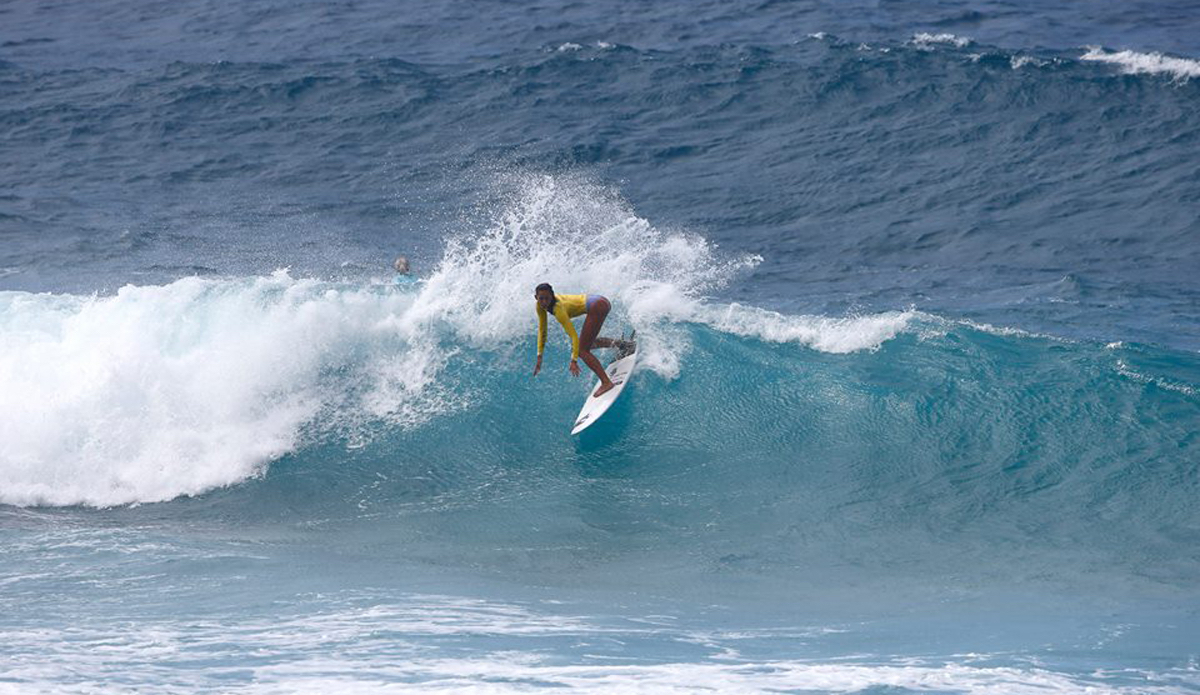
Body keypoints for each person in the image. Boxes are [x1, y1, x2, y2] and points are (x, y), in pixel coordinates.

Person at [532, 283, 628, 397]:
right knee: (588, 343)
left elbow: (573, 336)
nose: (543, 302)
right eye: (540, 298)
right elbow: (542, 330)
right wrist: (539, 356)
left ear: (552, 296)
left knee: (582, 350)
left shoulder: (558, 310)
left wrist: (574, 360)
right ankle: (623, 345)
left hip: (597, 305)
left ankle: (606, 383)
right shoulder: (540, 306)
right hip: (598, 300)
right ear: (536, 298)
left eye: (546, 298)